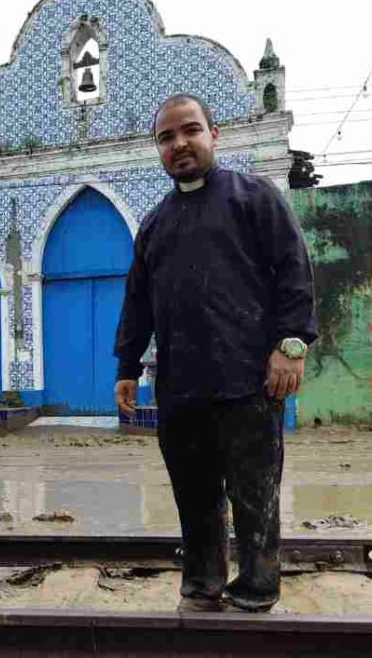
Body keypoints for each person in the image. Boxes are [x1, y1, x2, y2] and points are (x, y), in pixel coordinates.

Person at [114, 93, 317, 613]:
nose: (179, 144)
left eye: (190, 130)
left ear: (213, 135)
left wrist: (291, 346)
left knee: (255, 494)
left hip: (250, 381)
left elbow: (294, 271)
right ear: (158, 149)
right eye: (166, 137)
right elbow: (138, 301)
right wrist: (127, 367)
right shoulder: (154, 224)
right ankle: (202, 586)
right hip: (180, 388)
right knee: (194, 495)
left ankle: (257, 590)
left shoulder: (255, 198)